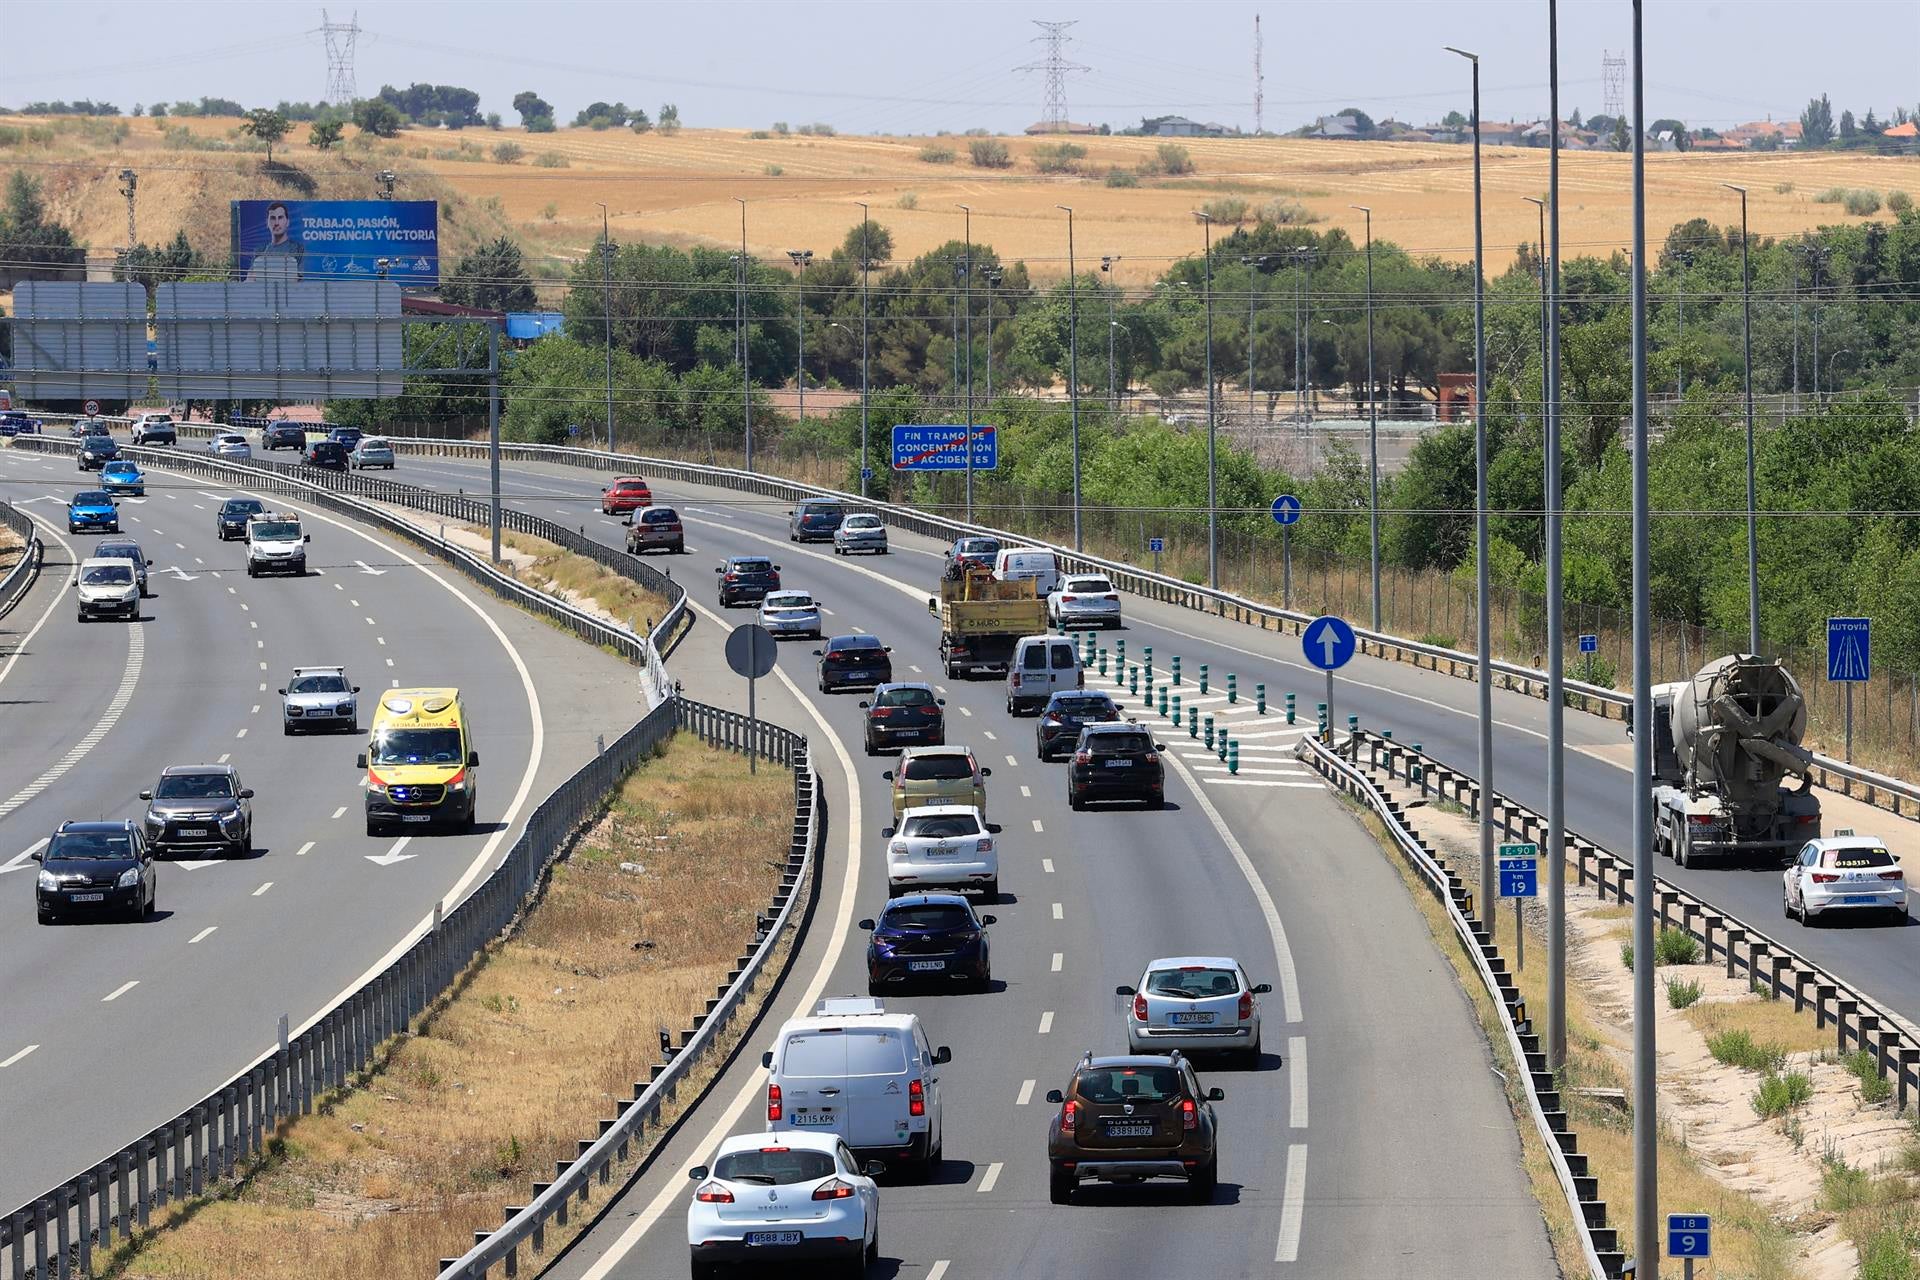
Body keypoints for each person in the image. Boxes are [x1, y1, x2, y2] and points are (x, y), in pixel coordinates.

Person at [244, 201, 304, 283]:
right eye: (273, 218)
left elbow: (295, 280)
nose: (276, 223)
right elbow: (250, 278)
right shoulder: (260, 250)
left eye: (280, 218)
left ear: (287, 222)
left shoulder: (297, 249)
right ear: (267, 223)